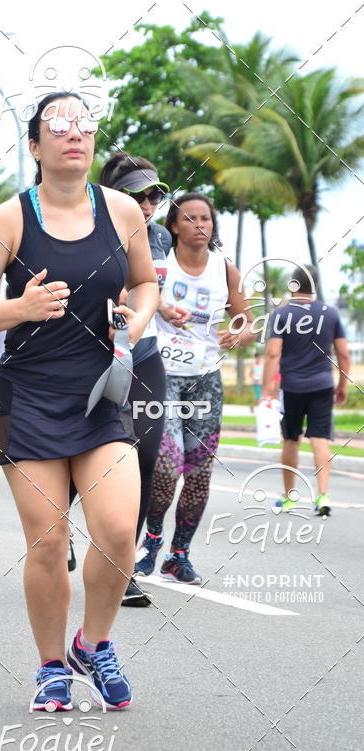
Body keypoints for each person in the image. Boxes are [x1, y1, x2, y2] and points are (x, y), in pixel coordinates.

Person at [0, 92, 159, 709]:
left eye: (84, 125)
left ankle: (93, 644)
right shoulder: (9, 219)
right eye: (58, 127)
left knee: (120, 531)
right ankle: (50, 668)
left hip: (101, 395)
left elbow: (146, 281)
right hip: (29, 396)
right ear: (36, 146)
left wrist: (138, 320)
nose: (75, 134)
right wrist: (20, 308)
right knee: (47, 542)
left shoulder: (123, 212)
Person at [68, 153, 190, 608]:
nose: (148, 202)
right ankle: (57, 531)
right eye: (138, 194)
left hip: (142, 351)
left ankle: (120, 568)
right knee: (72, 453)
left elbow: (147, 285)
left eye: (155, 194)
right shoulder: (84, 226)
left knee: (145, 457)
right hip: (86, 352)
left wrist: (159, 308)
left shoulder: (159, 235)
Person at [135, 192, 255, 585]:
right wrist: (162, 309)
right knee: (168, 466)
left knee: (199, 471)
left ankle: (179, 554)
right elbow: (132, 295)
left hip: (206, 380)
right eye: (191, 218)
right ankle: (151, 540)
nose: (200, 225)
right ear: (174, 226)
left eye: (206, 218)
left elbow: (247, 322)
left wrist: (239, 334)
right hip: (161, 375)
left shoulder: (224, 268)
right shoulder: (160, 262)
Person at [262, 264, 349, 517]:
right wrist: (342, 385)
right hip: (323, 386)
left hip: (292, 388)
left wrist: (268, 391)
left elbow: (272, 353)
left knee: (291, 439)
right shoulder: (330, 314)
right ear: (316, 286)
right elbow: (343, 353)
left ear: (293, 285)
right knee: (320, 439)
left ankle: (289, 498)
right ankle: (323, 495)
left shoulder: (282, 314)